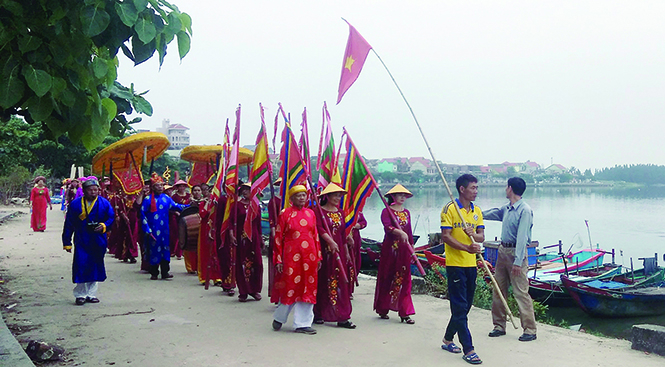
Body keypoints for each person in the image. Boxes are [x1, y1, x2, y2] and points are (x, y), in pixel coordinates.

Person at [483, 177, 537, 342]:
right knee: (499, 289)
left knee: (520, 292)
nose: (505, 189)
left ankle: (529, 330)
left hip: (516, 252)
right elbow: (494, 213)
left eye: (506, 187)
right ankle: (499, 326)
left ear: (510, 189)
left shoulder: (524, 210)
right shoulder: (507, 208)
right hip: (503, 250)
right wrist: (474, 213)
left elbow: (522, 238)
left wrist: (518, 261)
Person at [440, 174, 485, 364]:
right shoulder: (449, 209)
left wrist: (473, 235)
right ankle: (468, 348)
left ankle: (447, 339)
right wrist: (467, 247)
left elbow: (481, 236)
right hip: (455, 264)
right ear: (462, 189)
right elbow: (446, 237)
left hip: (471, 265)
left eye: (476, 188)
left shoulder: (477, 211)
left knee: (465, 306)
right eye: (473, 188)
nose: (476, 191)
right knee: (459, 306)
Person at [271, 185, 322, 334]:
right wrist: (278, 259)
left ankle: (302, 324)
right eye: (298, 195)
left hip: (310, 258)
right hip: (291, 257)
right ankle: (280, 317)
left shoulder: (311, 213)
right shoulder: (285, 214)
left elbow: (316, 236)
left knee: (308, 289)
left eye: (303, 195)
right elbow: (278, 238)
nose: (301, 198)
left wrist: (318, 256)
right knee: (290, 288)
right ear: (291, 198)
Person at [62, 178, 114, 305]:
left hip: (98, 239)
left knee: (95, 266)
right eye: (90, 190)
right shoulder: (75, 204)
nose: (93, 192)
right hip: (82, 239)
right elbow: (69, 224)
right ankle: (80, 294)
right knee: (81, 265)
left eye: (95, 190)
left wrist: (104, 225)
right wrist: (66, 241)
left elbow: (111, 217)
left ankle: (91, 294)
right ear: (84, 191)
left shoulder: (104, 203)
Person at [314, 183, 356, 329]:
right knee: (323, 281)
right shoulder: (318, 211)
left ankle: (342, 316)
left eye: (339, 195)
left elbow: (342, 234)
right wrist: (330, 242)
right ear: (327, 196)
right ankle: (319, 313)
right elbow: (319, 229)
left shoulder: (340, 212)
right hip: (325, 251)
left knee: (340, 283)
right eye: (335, 195)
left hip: (339, 251)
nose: (338, 198)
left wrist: (345, 252)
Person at [373, 184, 416, 324]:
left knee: (404, 279)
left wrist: (412, 247)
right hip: (390, 249)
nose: (403, 198)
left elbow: (408, 231)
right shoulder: (387, 211)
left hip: (404, 249)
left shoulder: (407, 212)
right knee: (387, 276)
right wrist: (399, 232)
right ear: (393, 196)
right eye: (400, 195)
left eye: (404, 195)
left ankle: (405, 313)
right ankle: (382, 308)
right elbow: (388, 227)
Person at [140, 173, 188, 280]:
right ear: (153, 187)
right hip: (153, 229)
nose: (160, 187)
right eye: (158, 186)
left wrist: (189, 206)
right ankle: (154, 272)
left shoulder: (166, 198)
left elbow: (176, 206)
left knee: (165, 249)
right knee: (154, 250)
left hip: (165, 230)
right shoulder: (147, 199)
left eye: (161, 185)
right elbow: (142, 214)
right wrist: (147, 229)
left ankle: (165, 272)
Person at [231, 182, 263, 302]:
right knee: (242, 264)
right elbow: (231, 222)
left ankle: (254, 290)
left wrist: (260, 238)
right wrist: (231, 235)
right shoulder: (236, 205)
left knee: (257, 264)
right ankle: (243, 292)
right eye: (243, 190)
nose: (245, 192)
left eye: (248, 189)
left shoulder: (256, 206)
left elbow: (258, 224)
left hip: (253, 239)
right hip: (241, 238)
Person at [266, 177, 283, 299]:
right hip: (279, 236)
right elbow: (272, 222)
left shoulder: (294, 201)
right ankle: (278, 294)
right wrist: (275, 236)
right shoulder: (274, 201)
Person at [170, 180, 190, 260]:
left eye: (183, 186)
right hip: (176, 217)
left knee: (186, 234)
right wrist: (175, 212)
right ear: (177, 188)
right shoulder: (174, 197)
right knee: (176, 234)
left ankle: (182, 252)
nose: (182, 188)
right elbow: (171, 207)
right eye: (180, 186)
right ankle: (174, 251)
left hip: (186, 217)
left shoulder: (189, 196)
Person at [350, 211, 366, 296]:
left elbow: (364, 222)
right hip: (342, 241)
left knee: (355, 264)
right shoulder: (340, 208)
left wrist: (357, 226)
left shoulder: (356, 209)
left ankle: (350, 289)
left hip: (355, 241)